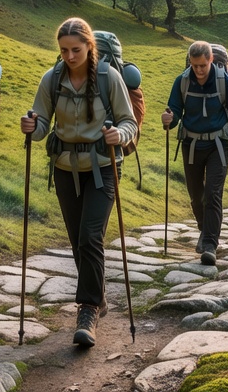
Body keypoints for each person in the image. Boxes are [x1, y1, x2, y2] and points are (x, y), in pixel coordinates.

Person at [20, 18, 139, 348]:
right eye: (63, 50)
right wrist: (32, 126)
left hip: (103, 168)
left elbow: (129, 121)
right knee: (78, 241)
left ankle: (87, 310)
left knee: (89, 237)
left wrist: (120, 134)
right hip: (64, 168)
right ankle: (98, 297)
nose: (69, 56)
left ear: (89, 47)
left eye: (75, 49)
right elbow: (42, 122)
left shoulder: (108, 78)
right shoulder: (52, 78)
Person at [161, 41, 228, 265]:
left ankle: (210, 244)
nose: (198, 70)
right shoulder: (182, 81)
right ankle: (203, 228)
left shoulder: (223, 81)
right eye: (195, 65)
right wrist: (169, 119)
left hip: (219, 144)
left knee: (212, 193)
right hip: (191, 144)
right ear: (190, 62)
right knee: (196, 196)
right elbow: (175, 110)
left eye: (203, 65)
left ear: (210, 61)